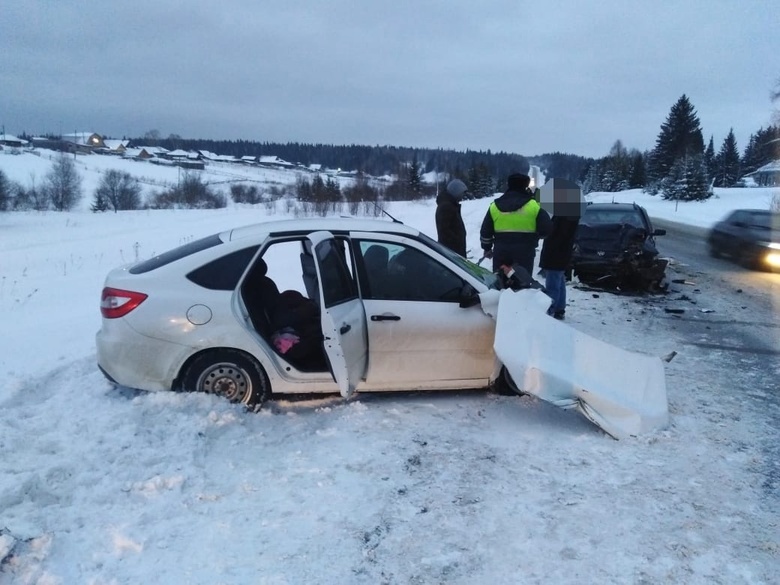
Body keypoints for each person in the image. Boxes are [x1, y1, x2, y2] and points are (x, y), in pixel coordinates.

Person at [480, 173, 552, 274]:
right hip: (525, 253)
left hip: (501, 252)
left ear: (509, 185)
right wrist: (534, 237)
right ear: (525, 186)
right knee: (523, 284)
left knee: (499, 284)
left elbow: (485, 232)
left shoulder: (495, 206)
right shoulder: (534, 206)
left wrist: (487, 248)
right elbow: (547, 230)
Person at [539, 215, 580, 320]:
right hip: (561, 254)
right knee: (559, 281)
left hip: (555, 254)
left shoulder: (563, 217)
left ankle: (550, 309)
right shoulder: (569, 216)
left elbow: (556, 236)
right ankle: (559, 309)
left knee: (552, 285)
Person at [435, 179, 468, 256]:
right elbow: (444, 231)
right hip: (451, 252)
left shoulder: (451, 205)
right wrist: (457, 243)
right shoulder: (446, 207)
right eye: (462, 193)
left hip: (453, 251)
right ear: (456, 192)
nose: (463, 196)